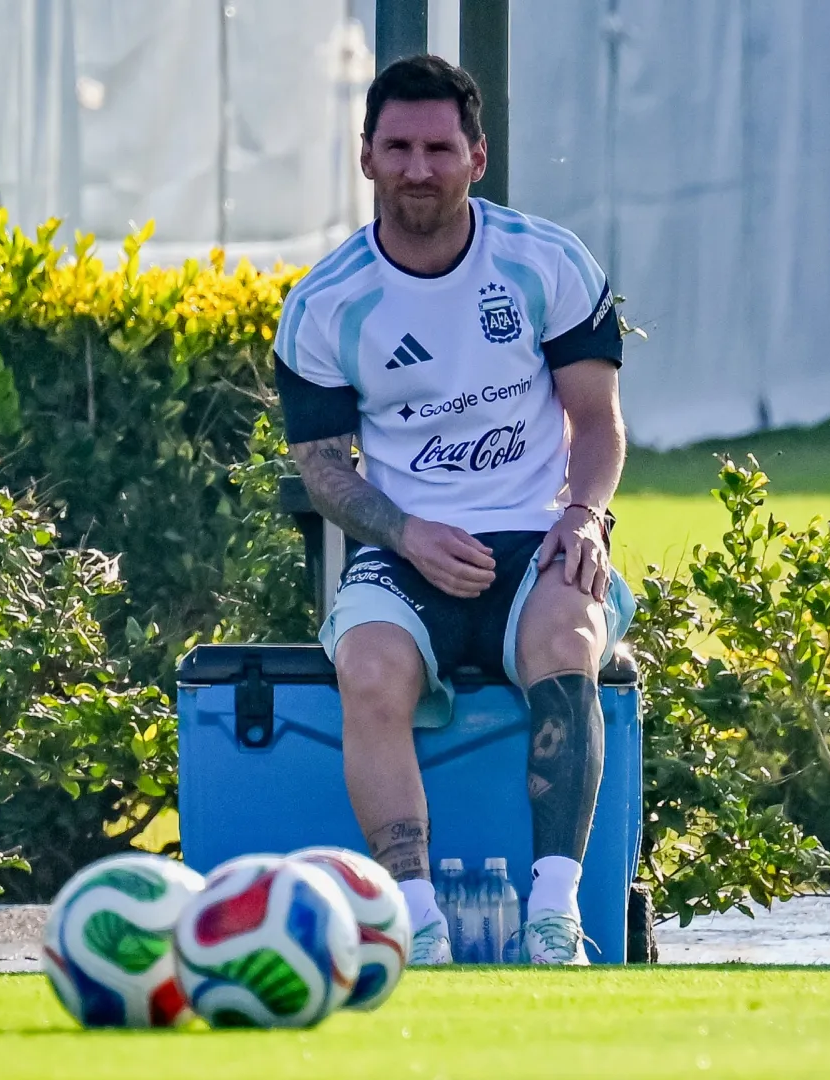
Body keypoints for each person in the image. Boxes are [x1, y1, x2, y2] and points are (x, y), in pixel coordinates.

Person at [272, 55, 632, 966]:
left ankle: (556, 919)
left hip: (536, 536)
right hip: (405, 551)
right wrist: (405, 532)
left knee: (568, 642)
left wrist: (584, 516)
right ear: (365, 157)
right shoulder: (324, 304)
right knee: (371, 670)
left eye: (439, 148)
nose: (418, 168)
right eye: (398, 146)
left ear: (478, 156)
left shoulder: (547, 263)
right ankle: (416, 925)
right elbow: (323, 470)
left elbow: (599, 426)